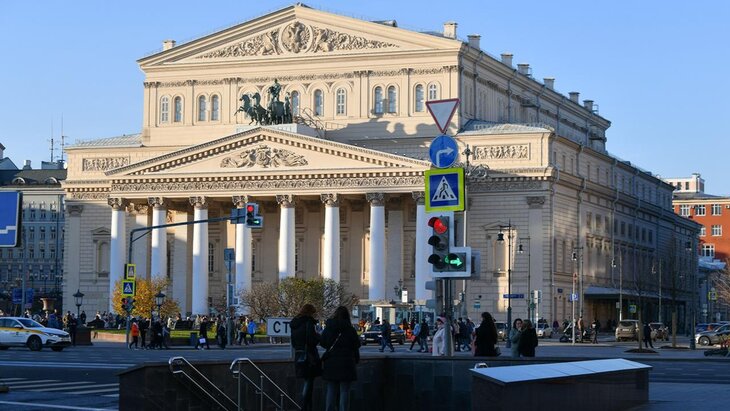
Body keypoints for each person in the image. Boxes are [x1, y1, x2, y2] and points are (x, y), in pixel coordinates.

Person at [321, 306, 360, 411]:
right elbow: (356, 345)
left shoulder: (329, 328)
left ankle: (329, 409)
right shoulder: (350, 329)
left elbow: (323, 342)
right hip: (347, 362)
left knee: (331, 389)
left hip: (331, 362)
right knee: (344, 390)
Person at [290, 304, 321, 411]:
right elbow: (311, 340)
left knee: (307, 381)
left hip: (299, 354)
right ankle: (304, 406)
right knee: (308, 382)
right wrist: (318, 337)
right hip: (309, 355)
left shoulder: (295, 323)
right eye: (313, 313)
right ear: (309, 313)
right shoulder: (308, 322)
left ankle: (307, 406)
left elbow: (293, 342)